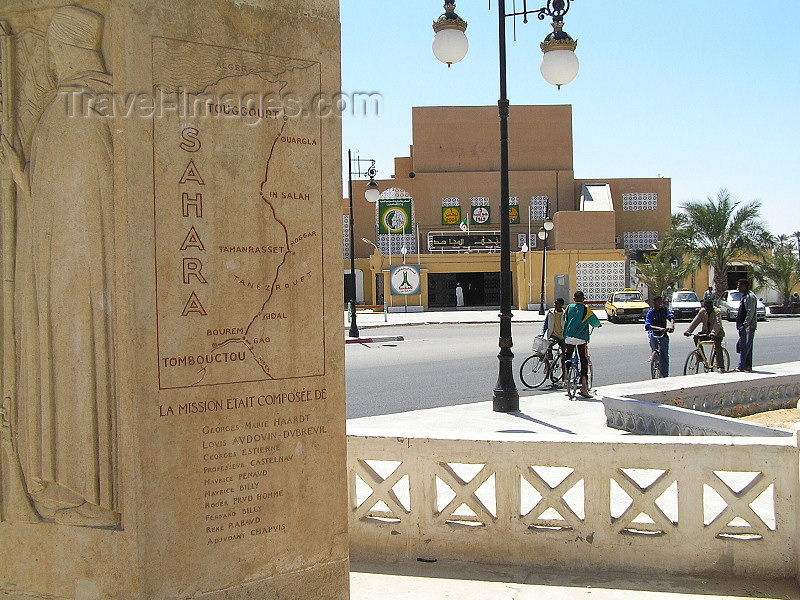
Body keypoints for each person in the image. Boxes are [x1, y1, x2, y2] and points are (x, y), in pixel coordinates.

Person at [0, 6, 118, 527]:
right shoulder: (71, 108)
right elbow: (55, 196)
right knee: (63, 370)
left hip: (80, 278)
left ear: (68, 51)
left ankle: (87, 489)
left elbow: (81, 199)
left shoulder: (83, 106)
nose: (47, 61)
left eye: (51, 51)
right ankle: (64, 482)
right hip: (60, 272)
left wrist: (28, 184)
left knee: (79, 371)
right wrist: (22, 177)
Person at [562, 291, 601, 398]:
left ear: (574, 299)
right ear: (583, 299)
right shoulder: (586, 309)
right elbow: (595, 321)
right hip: (580, 338)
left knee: (568, 357)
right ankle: (583, 387)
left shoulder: (568, 308)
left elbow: (563, 321)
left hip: (568, 337)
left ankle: (566, 379)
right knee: (584, 360)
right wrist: (598, 325)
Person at [684, 299, 726, 371]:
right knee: (696, 337)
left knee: (717, 347)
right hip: (706, 332)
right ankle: (701, 357)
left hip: (717, 333)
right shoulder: (702, 311)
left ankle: (721, 366)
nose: (707, 309)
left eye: (709, 308)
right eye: (706, 307)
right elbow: (695, 321)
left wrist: (713, 333)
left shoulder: (717, 312)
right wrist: (688, 331)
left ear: (712, 306)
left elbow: (717, 324)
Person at [644, 296, 675, 376]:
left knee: (665, 354)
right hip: (654, 333)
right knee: (652, 340)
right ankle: (654, 355)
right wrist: (659, 328)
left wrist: (672, 326)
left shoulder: (664, 310)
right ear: (654, 303)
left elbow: (671, 317)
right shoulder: (651, 312)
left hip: (663, 334)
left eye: (661, 302)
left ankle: (665, 375)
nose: (660, 304)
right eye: (658, 302)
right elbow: (647, 325)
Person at [735, 278, 757, 372]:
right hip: (743, 326)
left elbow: (750, 312)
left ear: (744, 286)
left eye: (739, 285)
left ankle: (742, 366)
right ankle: (747, 366)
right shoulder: (744, 296)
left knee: (744, 347)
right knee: (745, 346)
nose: (738, 287)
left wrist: (745, 325)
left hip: (747, 327)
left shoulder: (750, 297)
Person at [541, 298, 566, 381]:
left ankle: (564, 375)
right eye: (554, 303)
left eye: (557, 303)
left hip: (562, 337)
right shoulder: (550, 312)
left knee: (564, 356)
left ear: (561, 304)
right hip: (553, 335)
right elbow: (546, 324)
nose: (555, 305)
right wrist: (543, 333)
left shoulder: (565, 314)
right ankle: (549, 362)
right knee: (548, 345)